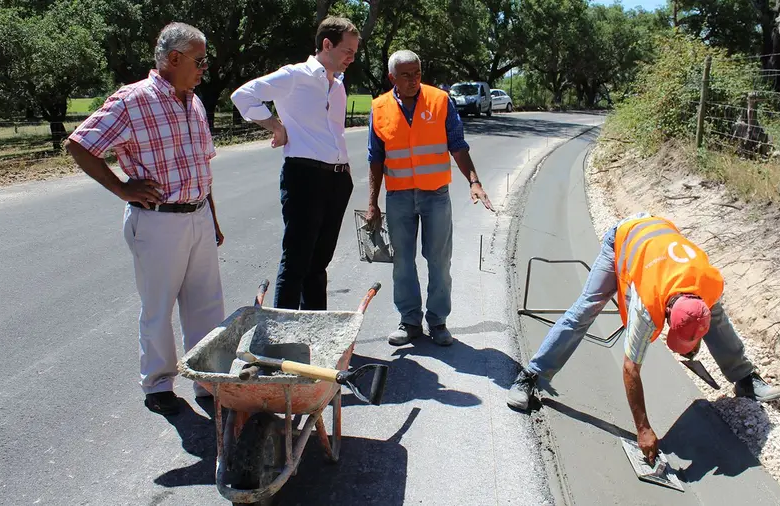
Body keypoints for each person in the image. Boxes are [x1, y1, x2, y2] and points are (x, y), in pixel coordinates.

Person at [506, 213, 780, 461]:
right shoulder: (646, 306)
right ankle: (530, 376)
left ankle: (745, 378)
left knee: (718, 316)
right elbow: (630, 369)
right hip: (624, 237)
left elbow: (702, 317)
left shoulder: (707, 286)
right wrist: (643, 428)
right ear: (664, 317)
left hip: (659, 234)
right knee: (586, 309)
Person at [65, 23, 225, 416]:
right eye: (200, 60)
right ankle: (158, 384)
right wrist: (121, 188)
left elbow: (201, 166)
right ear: (174, 59)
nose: (204, 68)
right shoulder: (132, 100)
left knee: (206, 305)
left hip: (197, 215)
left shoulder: (195, 100)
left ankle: (208, 379)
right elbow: (80, 144)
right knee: (158, 306)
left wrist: (212, 217)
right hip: (157, 221)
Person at [364, 50, 494, 347]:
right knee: (403, 262)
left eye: (417, 74)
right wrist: (373, 203)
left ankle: (437, 321)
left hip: (435, 195)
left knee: (438, 260)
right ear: (391, 78)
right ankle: (409, 321)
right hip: (398, 197)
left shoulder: (440, 101)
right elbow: (375, 159)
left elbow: (458, 146)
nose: (413, 80)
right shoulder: (379, 107)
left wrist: (474, 181)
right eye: (406, 75)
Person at [230, 16, 359, 310]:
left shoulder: (337, 85)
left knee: (319, 264)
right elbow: (243, 95)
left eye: (354, 52)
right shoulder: (294, 76)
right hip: (304, 176)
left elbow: (334, 132)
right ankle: (281, 338)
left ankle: (315, 333)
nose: (352, 58)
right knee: (296, 262)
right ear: (327, 44)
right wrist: (277, 127)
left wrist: (346, 171)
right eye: (347, 51)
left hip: (337, 180)